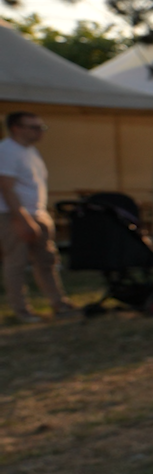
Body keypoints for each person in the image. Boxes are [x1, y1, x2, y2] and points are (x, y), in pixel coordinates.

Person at [0, 111, 75, 323]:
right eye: (33, 127)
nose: (39, 132)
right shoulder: (6, 151)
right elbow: (6, 188)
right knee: (16, 262)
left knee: (47, 261)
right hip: (14, 215)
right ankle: (21, 310)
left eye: (41, 127)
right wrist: (21, 218)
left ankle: (59, 302)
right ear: (16, 128)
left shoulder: (30, 151)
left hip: (37, 212)